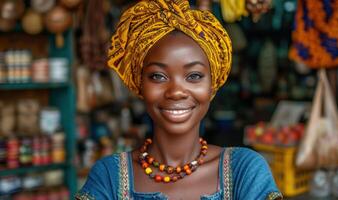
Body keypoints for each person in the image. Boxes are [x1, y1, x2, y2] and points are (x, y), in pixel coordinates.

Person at [76, 0, 283, 199]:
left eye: (194, 76)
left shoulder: (243, 171)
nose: (176, 91)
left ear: (213, 86)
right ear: (139, 85)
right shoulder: (109, 177)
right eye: (158, 76)